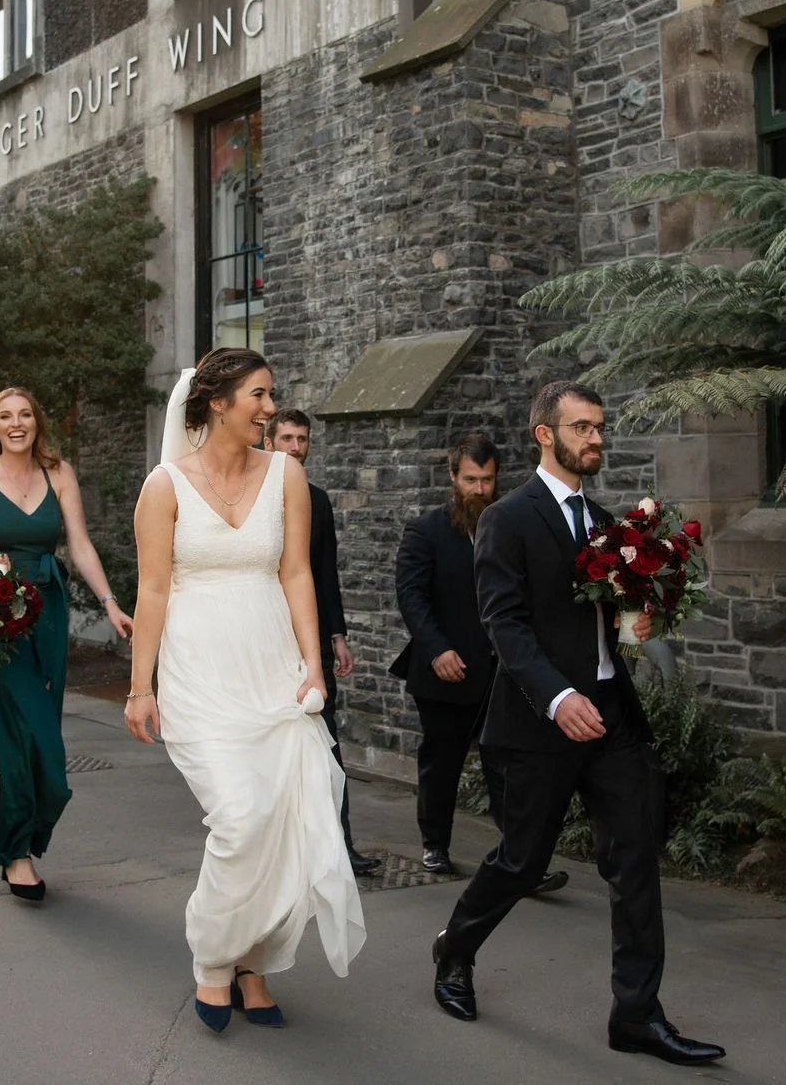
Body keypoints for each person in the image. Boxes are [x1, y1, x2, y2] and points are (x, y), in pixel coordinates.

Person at [430, 382, 723, 1066]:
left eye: (599, 426)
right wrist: (559, 696)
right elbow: (504, 621)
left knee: (635, 857)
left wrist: (633, 624)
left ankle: (637, 1014)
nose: (595, 438)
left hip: (611, 717)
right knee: (522, 858)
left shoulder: (606, 521)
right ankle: (455, 949)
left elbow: (607, 619)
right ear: (545, 435)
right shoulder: (508, 517)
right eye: (582, 427)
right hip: (542, 722)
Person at [125, 348, 366, 1033]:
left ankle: (254, 959)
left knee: (284, 817)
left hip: (272, 665)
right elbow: (153, 588)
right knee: (240, 814)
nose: (270, 407)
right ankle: (213, 956)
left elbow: (296, 573)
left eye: (271, 395)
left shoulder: (286, 475)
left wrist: (314, 665)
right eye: (259, 395)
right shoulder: (165, 487)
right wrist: (140, 685)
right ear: (220, 401)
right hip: (199, 669)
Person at [0, 386, 135, 899]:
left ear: (36, 422)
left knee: (41, 727)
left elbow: (80, 545)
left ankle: (17, 847)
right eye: (6, 416)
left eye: (25, 415)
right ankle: (17, 852)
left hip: (48, 610)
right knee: (26, 733)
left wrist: (110, 603)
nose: (16, 424)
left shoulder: (59, 473)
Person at [394, 434, 569, 893]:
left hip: (502, 673)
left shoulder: (511, 527)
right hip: (444, 671)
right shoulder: (426, 530)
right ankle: (435, 844)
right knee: (442, 763)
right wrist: (436, 649)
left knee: (508, 769)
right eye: (470, 479)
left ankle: (522, 863)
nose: (478, 489)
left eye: (486, 480)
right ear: (453, 477)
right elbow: (412, 598)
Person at [263, 409, 381, 878]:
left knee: (325, 741)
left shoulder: (317, 499)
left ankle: (340, 846)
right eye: (287, 438)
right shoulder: (249, 494)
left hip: (309, 637)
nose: (295, 447)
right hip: (261, 635)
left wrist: (338, 635)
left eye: (302, 439)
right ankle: (278, 849)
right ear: (268, 442)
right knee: (270, 742)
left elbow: (322, 570)